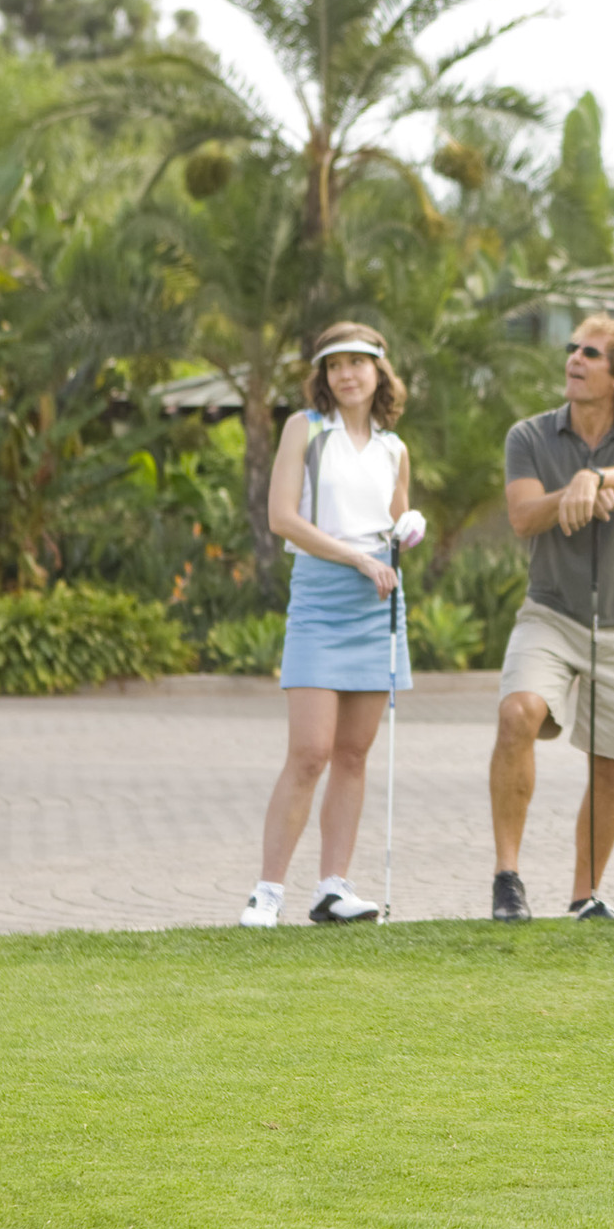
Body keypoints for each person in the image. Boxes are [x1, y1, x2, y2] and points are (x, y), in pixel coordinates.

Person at [488, 315, 614, 923]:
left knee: (610, 765)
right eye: (572, 349)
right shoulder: (529, 435)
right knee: (518, 713)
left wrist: (595, 478)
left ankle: (583, 895)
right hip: (551, 612)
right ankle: (507, 880)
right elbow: (522, 517)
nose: (574, 358)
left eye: (590, 353)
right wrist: (568, 495)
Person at [240, 322, 424, 928]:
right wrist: (355, 557)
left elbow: (394, 521)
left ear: (379, 372)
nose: (347, 374)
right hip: (321, 599)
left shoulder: (395, 448)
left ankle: (334, 888)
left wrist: (409, 526)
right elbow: (282, 519)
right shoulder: (305, 429)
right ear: (324, 375)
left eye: (359, 363)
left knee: (352, 754)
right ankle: (268, 891)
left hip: (377, 603)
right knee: (311, 752)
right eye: (335, 365)